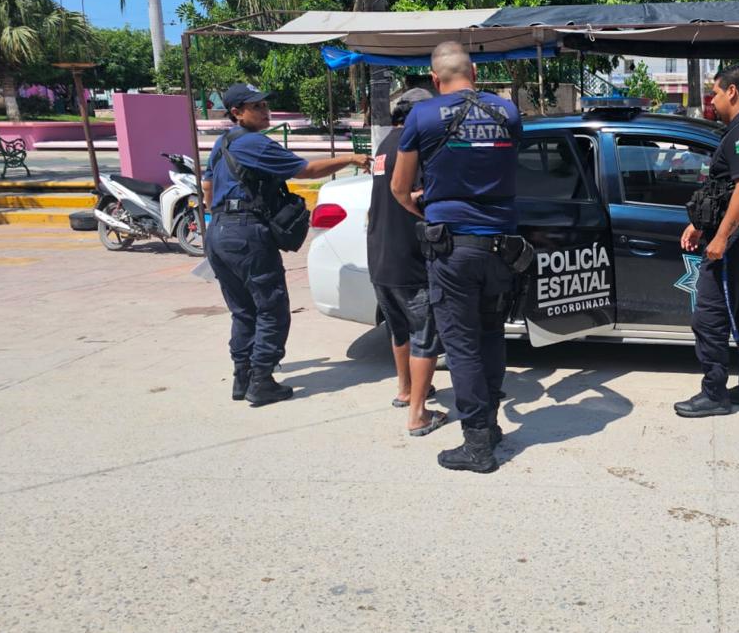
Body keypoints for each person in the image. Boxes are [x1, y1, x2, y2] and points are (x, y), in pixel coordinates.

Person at [389, 42, 523, 474]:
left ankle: (477, 445)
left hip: (452, 250)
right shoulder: (509, 112)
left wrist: (424, 208)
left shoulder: (423, 116)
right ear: (475, 74)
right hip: (502, 248)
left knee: (462, 346)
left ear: (434, 79)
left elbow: (398, 187)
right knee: (491, 337)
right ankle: (492, 425)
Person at [203, 83, 370, 406]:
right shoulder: (253, 144)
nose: (265, 112)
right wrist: (350, 157)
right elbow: (305, 170)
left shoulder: (223, 143)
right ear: (237, 113)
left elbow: (208, 186)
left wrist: (222, 223)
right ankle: (261, 380)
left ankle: (243, 376)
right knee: (272, 309)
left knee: (243, 311)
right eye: (257, 107)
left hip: (219, 230)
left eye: (266, 105)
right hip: (246, 232)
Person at [675, 65, 739, 418]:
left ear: (732, 91)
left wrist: (720, 236)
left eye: (715, 92)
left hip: (735, 244)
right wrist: (700, 225)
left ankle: (715, 393)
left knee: (710, 318)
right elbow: (724, 190)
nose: (712, 100)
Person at [367, 97, 449, 437]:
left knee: (398, 328)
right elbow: (418, 193)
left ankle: (405, 390)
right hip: (409, 256)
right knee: (424, 336)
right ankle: (418, 415)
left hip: (380, 256)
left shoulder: (386, 143)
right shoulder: (415, 144)